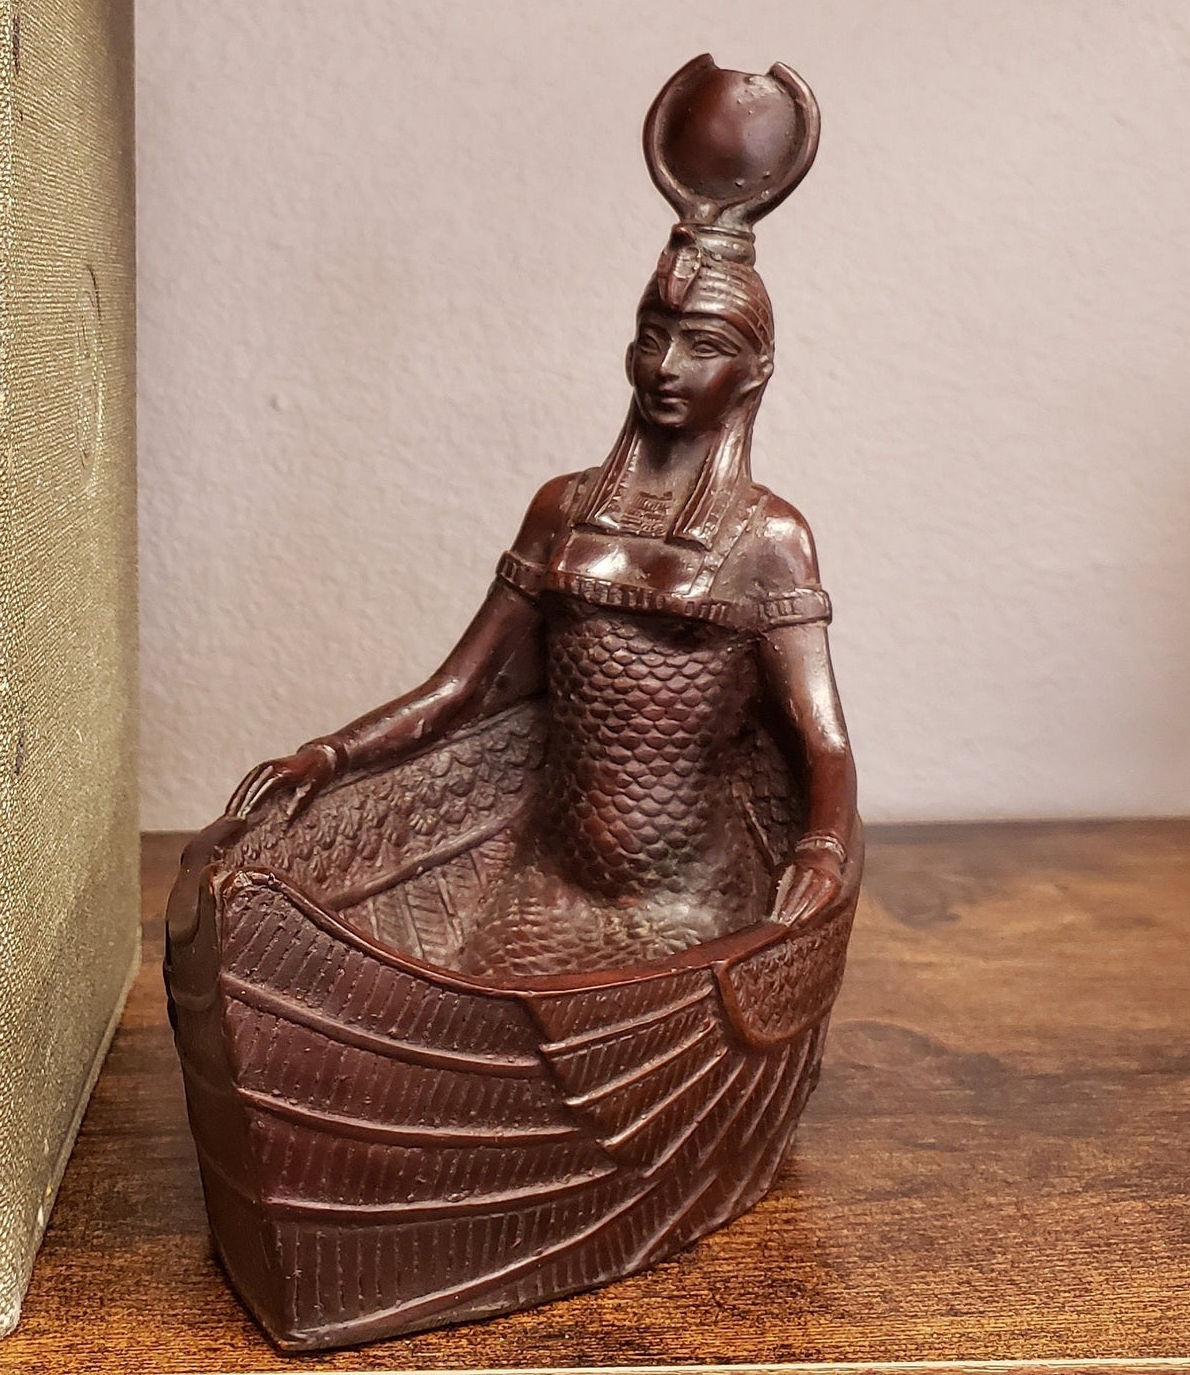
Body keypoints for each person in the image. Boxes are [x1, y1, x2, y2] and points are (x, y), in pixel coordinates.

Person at [229, 63, 857, 978]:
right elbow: (459, 690)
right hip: (546, 891)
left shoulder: (768, 540)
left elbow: (822, 744)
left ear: (753, 371)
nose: (666, 367)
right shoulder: (564, 509)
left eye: (703, 346)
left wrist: (822, 852)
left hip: (691, 906)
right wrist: (330, 755)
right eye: (652, 337)